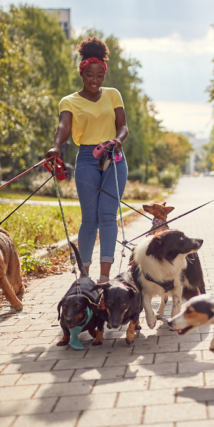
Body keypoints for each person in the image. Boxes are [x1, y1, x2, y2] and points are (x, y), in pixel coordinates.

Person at [46, 37, 129, 283]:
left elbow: (123, 126)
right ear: (81, 73)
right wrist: (55, 146)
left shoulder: (113, 95)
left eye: (99, 76)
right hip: (86, 159)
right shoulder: (69, 101)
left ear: (105, 74)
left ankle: (104, 279)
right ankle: (84, 277)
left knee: (108, 216)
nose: (95, 80)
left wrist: (118, 141)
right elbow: (64, 125)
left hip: (114, 157)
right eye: (90, 75)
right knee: (90, 218)